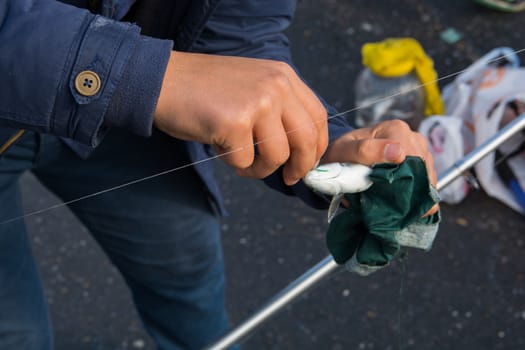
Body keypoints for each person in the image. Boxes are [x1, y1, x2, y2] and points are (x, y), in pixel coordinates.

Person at [0, 0, 438, 349]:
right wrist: (145, 77)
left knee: (186, 272)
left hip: (126, 118)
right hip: (136, 89)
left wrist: (331, 146)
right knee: (17, 335)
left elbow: (239, 38)